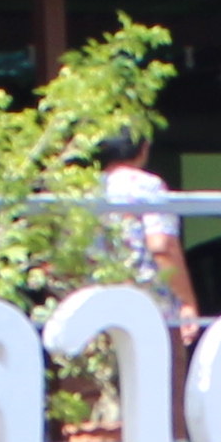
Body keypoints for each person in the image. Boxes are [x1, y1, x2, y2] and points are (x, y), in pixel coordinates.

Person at [90, 133, 200, 320]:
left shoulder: (86, 189)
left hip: (94, 302)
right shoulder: (148, 186)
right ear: (144, 148)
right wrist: (186, 303)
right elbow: (162, 246)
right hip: (145, 302)